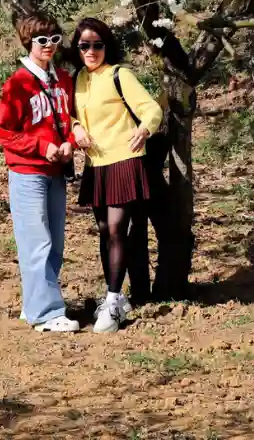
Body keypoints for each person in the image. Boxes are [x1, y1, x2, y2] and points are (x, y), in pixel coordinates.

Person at [68, 18, 163, 333]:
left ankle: (111, 301)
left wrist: (145, 128)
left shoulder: (120, 74)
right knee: (103, 229)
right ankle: (117, 296)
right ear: (77, 48)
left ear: (107, 46)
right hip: (97, 164)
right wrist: (76, 127)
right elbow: (68, 115)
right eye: (85, 45)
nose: (91, 51)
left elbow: (151, 108)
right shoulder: (77, 80)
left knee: (116, 227)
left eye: (97, 44)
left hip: (124, 158)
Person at [0, 11, 80, 332]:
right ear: (28, 42)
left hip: (57, 171)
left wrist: (70, 142)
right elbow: (3, 132)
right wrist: (40, 146)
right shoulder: (17, 84)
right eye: (42, 40)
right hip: (27, 172)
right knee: (37, 241)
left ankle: (34, 304)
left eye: (54, 39)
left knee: (55, 242)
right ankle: (46, 313)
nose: (49, 46)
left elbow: (70, 121)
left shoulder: (64, 81)